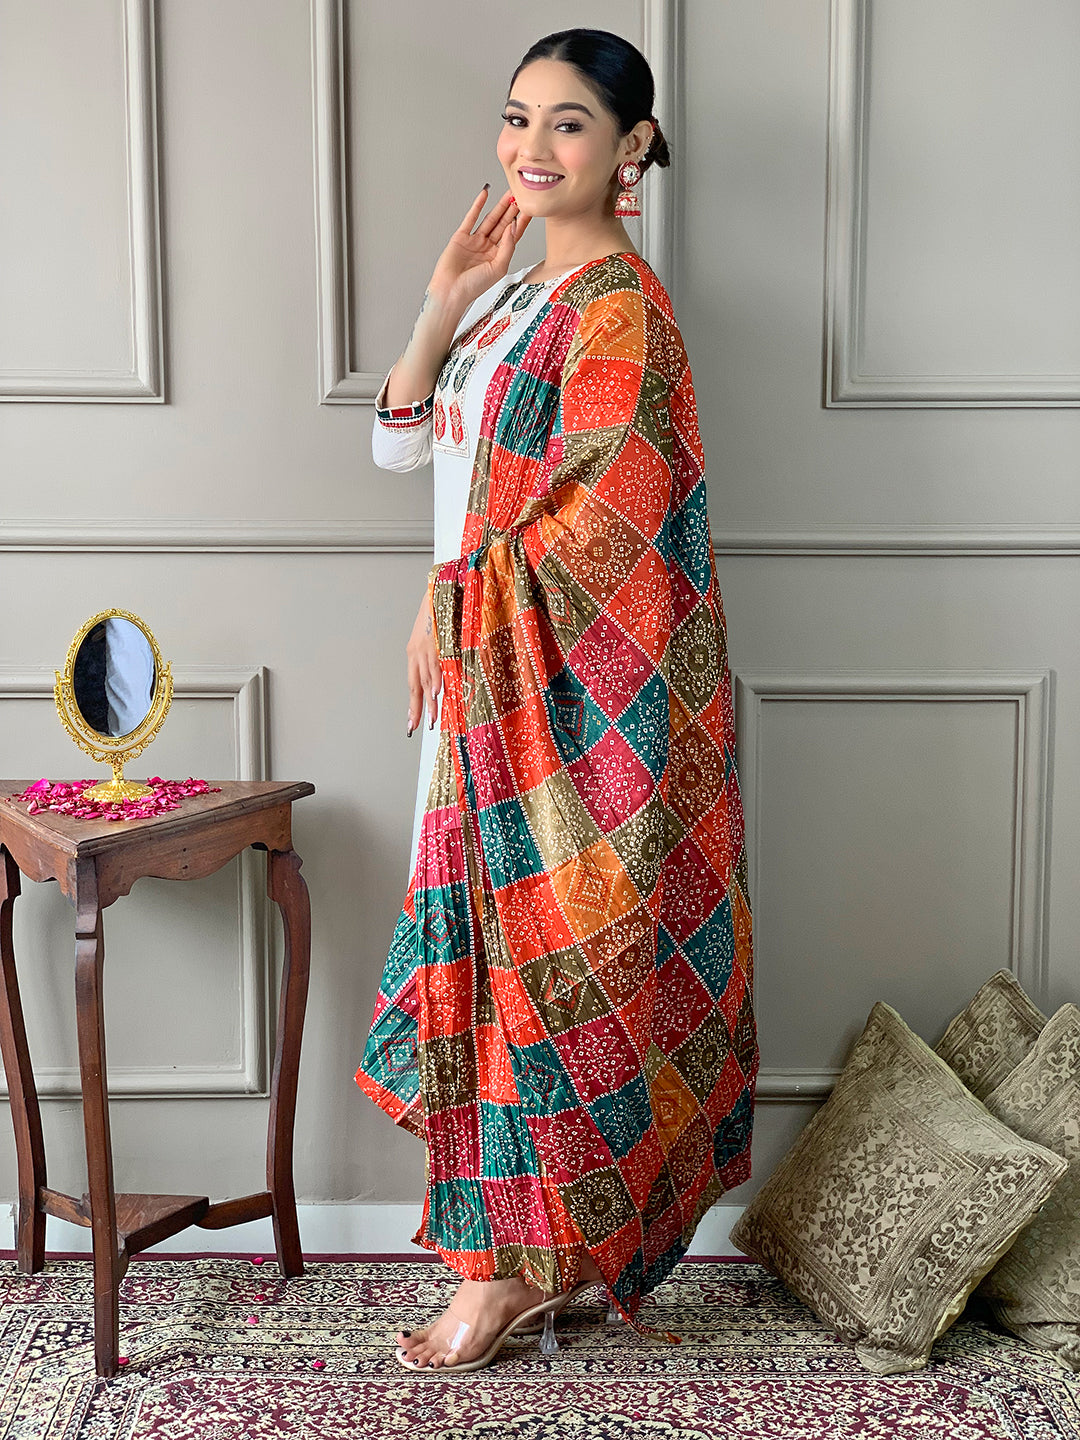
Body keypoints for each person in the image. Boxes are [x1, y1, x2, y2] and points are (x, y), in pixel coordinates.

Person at [356, 27, 757, 1374]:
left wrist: (453, 596)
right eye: (519, 118)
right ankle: (525, 1259)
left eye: (570, 124)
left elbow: (607, 539)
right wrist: (440, 300)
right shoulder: (516, 301)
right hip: (477, 690)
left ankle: (517, 1273)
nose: (532, 148)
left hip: (554, 718)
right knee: (492, 962)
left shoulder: (623, 315)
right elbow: (397, 444)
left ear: (633, 147)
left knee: (548, 975)